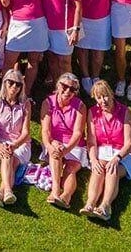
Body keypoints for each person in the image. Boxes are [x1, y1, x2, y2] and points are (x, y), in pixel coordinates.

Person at [80, 80, 131, 222]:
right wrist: (93, 159)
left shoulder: (125, 111)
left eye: (105, 96)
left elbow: (129, 143)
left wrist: (117, 158)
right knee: (98, 169)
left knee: (112, 169)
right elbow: (91, 141)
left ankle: (105, 206)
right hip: (102, 151)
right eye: (99, 98)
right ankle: (90, 204)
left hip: (123, 153)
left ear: (111, 94)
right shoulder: (93, 112)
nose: (103, 101)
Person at [2, 0, 48, 96]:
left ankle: (26, 93)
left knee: (33, 61)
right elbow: (5, 3)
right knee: (9, 61)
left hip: (37, 23)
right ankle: (7, 93)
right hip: (18, 23)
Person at [41, 73, 89, 210]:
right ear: (58, 86)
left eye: (72, 89)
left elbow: (78, 133)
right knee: (56, 150)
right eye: (65, 86)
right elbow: (45, 130)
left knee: (71, 168)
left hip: (74, 144)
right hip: (54, 142)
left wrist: (66, 150)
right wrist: (49, 146)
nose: (68, 91)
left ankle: (66, 196)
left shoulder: (80, 106)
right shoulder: (48, 103)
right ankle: (55, 190)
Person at [0, 69, 31, 207]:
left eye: (18, 84)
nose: (14, 87)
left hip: (20, 143)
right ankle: (8, 191)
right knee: (8, 157)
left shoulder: (25, 103)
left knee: (11, 160)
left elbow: (26, 132)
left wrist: (15, 145)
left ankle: (1, 191)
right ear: (4, 83)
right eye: (10, 83)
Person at [71, 0, 112, 96]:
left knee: (98, 50)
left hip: (102, 17)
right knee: (83, 48)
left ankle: (95, 76)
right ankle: (85, 77)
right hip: (83, 16)